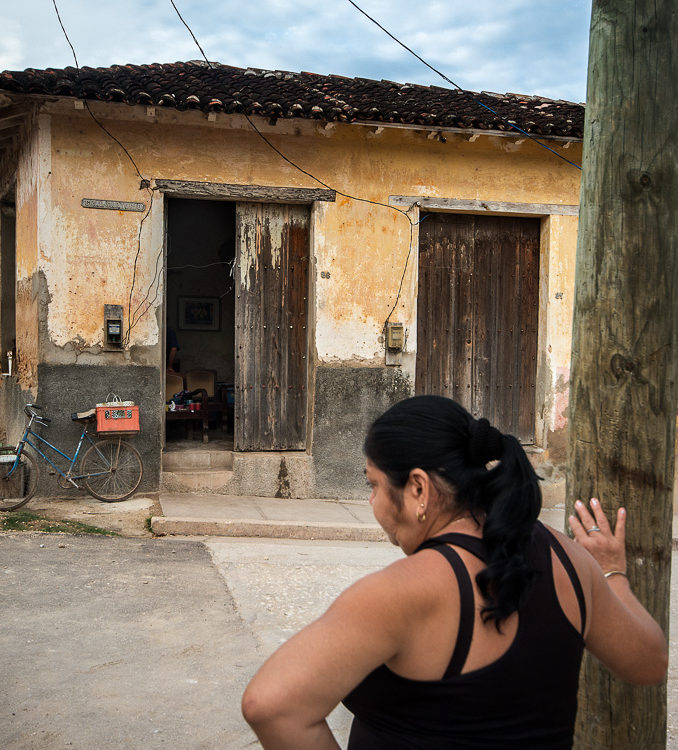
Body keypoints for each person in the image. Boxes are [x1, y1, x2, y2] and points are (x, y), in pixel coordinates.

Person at [242, 395, 668, 749]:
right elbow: (649, 663)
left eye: (372, 485)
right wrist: (613, 572)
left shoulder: (404, 593)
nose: (371, 502)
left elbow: (271, 704)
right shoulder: (571, 563)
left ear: (418, 489)